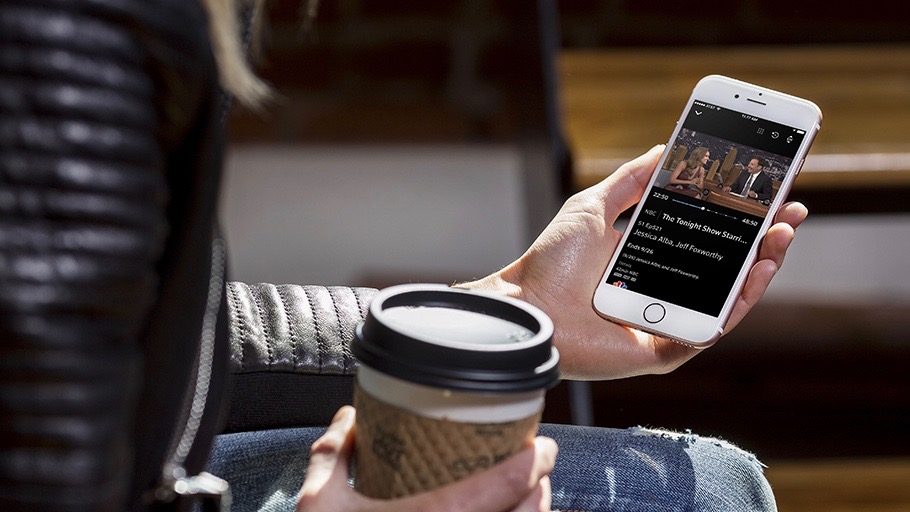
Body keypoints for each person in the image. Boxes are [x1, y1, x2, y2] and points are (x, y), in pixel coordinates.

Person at [0, 1, 805, 511]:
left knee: (708, 486)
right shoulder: (75, 38)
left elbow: (155, 339)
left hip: (156, 454)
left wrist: (509, 312)